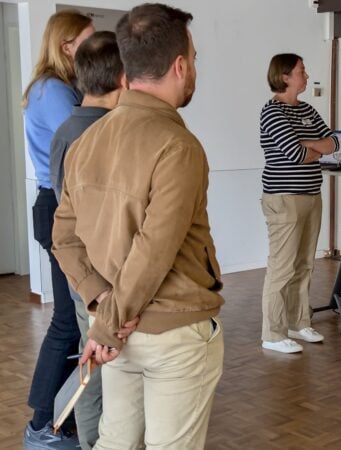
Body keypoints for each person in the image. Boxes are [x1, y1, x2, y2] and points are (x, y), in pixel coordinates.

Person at [52, 4, 224, 448]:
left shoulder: (86, 141)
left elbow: (64, 238)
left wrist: (102, 304)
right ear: (180, 66)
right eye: (195, 59)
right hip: (170, 332)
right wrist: (109, 321)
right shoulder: (178, 146)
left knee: (115, 442)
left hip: (118, 328)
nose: (194, 69)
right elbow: (153, 251)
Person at [49, 30, 125, 450]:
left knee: (92, 356)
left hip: (86, 277)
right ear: (124, 76)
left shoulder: (67, 129)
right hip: (102, 278)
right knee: (102, 364)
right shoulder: (105, 133)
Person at [21, 9, 94, 449]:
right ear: (67, 46)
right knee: (68, 321)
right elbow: (88, 140)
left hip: (62, 204)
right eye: (88, 39)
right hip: (58, 206)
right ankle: (43, 425)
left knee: (73, 321)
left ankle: (59, 419)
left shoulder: (60, 87)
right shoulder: (52, 91)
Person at [259, 53, 338, 354]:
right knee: (282, 267)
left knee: (304, 264)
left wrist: (310, 146)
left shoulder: (307, 109)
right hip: (284, 199)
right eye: (301, 71)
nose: (306, 75)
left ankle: (298, 322)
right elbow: (294, 154)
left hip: (311, 196)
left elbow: (333, 143)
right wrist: (314, 147)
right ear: (285, 77)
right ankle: (273, 334)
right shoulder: (272, 112)